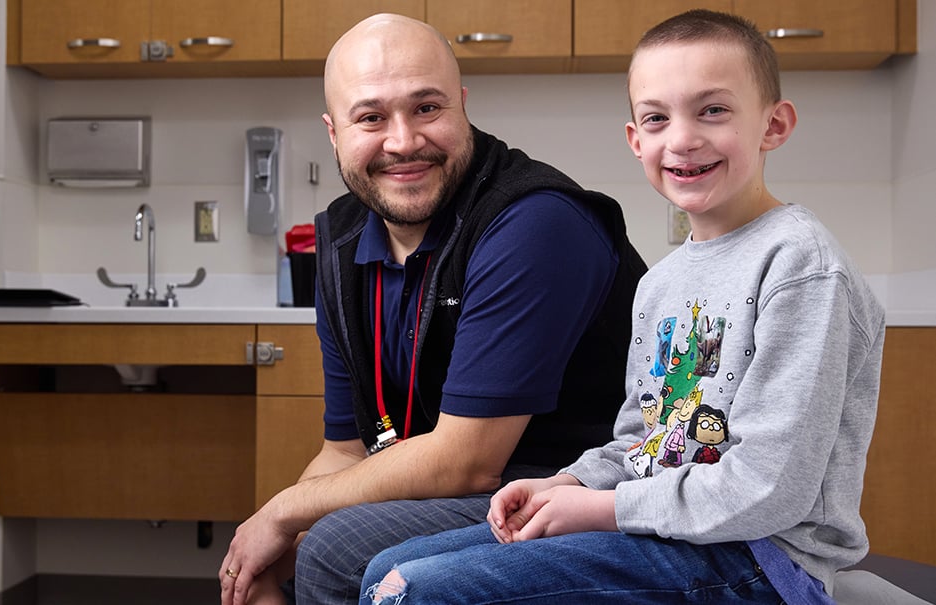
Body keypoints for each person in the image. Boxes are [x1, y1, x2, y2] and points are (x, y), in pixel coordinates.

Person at [360, 9, 886, 604]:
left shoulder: (800, 266)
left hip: (761, 563)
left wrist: (600, 509)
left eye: (713, 110)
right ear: (636, 139)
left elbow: (769, 488)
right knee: (387, 568)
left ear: (774, 123)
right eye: (657, 118)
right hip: (663, 536)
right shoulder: (661, 283)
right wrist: (565, 484)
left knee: (415, 590)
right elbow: (642, 445)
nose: (682, 138)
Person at [218, 12, 647, 605]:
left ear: (462, 104)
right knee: (281, 556)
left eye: (427, 108)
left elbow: (465, 463)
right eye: (371, 117)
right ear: (334, 131)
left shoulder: (534, 222)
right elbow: (345, 450)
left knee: (336, 547)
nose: (403, 141)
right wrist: (275, 543)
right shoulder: (341, 242)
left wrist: (285, 513)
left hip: (569, 486)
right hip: (469, 490)